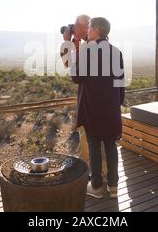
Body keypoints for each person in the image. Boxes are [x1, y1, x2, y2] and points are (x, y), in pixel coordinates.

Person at [70, 17, 125, 199]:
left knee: (94, 146)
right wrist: (116, 104)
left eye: (89, 28)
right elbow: (120, 84)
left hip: (93, 109)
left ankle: (96, 187)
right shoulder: (117, 52)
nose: (87, 31)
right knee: (111, 146)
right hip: (111, 110)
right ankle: (113, 186)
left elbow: (76, 78)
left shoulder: (88, 51)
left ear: (95, 30)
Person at [60, 15, 109, 182]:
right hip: (96, 102)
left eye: (77, 27)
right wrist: (72, 44)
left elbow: (73, 69)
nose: (74, 30)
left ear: (86, 27)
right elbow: (70, 63)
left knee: (93, 141)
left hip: (92, 103)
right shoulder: (93, 44)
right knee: (92, 141)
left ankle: (97, 177)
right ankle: (98, 176)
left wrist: (68, 42)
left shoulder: (92, 46)